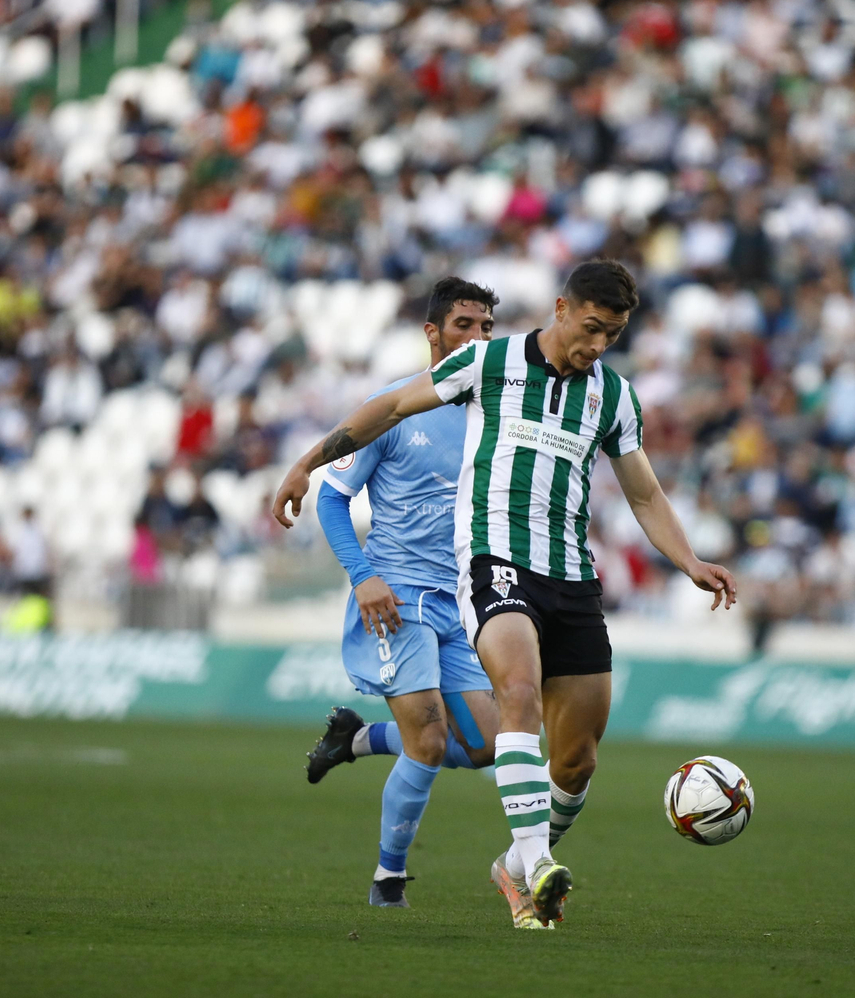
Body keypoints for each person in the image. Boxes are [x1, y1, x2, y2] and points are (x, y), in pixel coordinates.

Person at [274, 260, 738, 928]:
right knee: (505, 699)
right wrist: (306, 463)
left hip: (572, 578)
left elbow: (643, 491)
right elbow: (392, 405)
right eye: (591, 328)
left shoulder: (614, 397)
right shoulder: (491, 366)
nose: (598, 345)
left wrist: (689, 559)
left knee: (574, 759)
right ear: (561, 308)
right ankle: (488, 868)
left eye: (612, 335)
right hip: (491, 565)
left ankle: (514, 867)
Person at [301, 277, 504, 913]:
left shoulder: (492, 409)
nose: (477, 338)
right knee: (426, 741)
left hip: (462, 600)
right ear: (433, 332)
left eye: (485, 328)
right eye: (464, 326)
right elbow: (331, 499)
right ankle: (388, 881)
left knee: (484, 749)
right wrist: (365, 578)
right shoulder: (394, 406)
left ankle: (355, 740)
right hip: (398, 598)